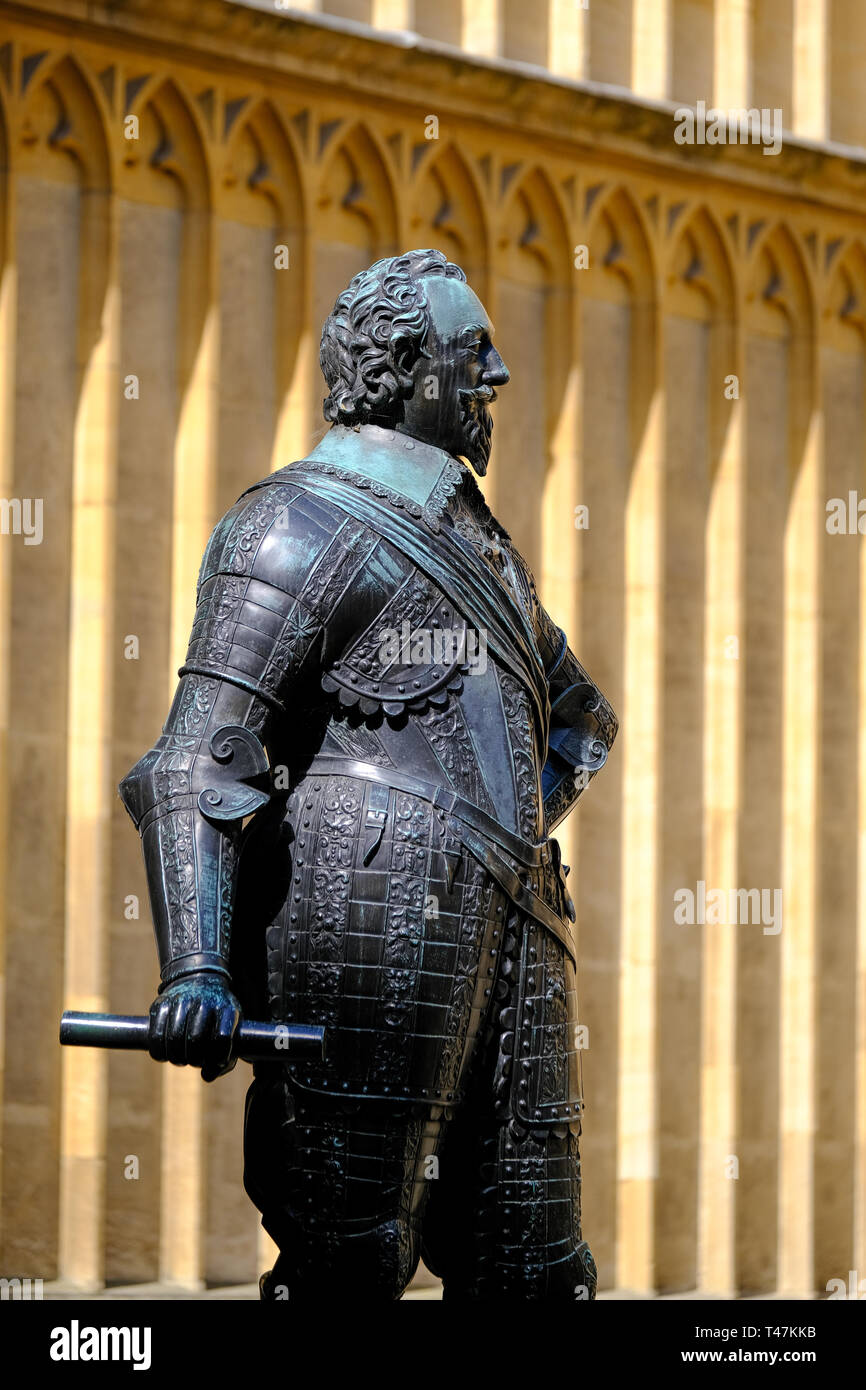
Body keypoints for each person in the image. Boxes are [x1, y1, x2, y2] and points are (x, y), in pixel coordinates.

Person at [119, 248, 617, 1300]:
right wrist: (197, 966)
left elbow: (583, 718)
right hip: (362, 926)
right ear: (398, 366)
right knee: (348, 1266)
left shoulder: (482, 550)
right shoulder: (292, 525)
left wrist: (489, 831)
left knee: (539, 1276)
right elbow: (197, 759)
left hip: (518, 940)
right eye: (473, 352)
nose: (499, 378)